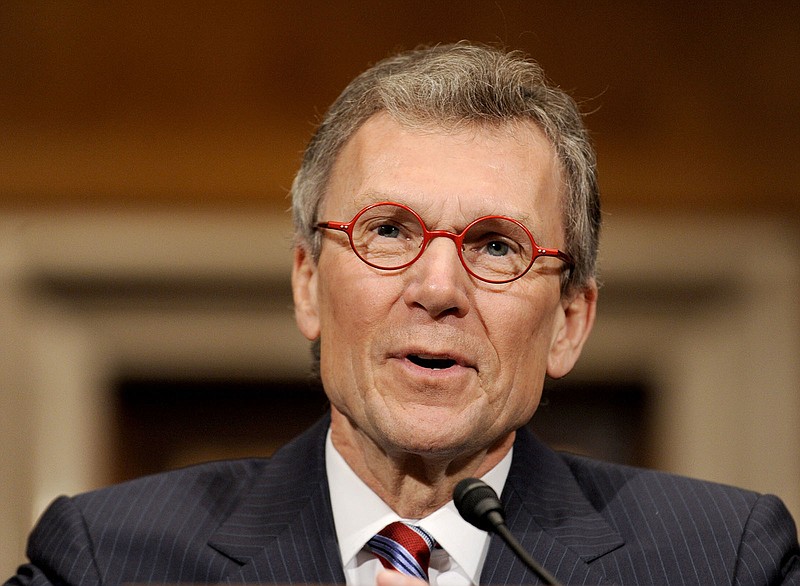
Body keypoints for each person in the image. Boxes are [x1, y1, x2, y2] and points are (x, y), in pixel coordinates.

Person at [6, 42, 799, 586]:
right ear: (308, 283)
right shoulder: (107, 560)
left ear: (569, 322)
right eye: (390, 231)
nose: (438, 287)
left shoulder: (721, 560)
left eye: (495, 245)